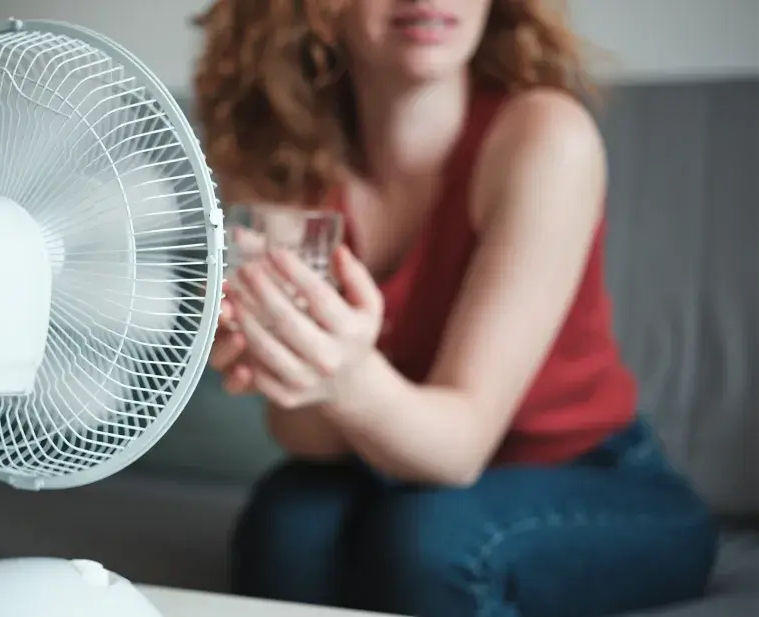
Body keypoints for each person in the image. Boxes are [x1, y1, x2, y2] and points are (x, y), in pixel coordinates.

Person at [193, 1, 719, 616]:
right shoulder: (284, 163)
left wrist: (344, 376)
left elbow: (458, 449)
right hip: (390, 467)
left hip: (597, 475)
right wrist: (290, 368)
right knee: (283, 530)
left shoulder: (545, 136)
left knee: (432, 541)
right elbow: (309, 440)